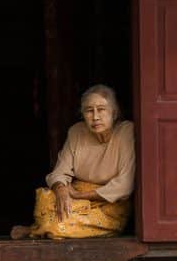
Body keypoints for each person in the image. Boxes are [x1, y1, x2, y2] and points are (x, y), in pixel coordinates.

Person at [11, 84, 135, 240]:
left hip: (108, 203)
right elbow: (60, 171)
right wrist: (61, 190)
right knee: (45, 199)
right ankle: (44, 228)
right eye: (89, 111)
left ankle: (34, 230)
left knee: (61, 223)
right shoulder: (76, 131)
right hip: (76, 196)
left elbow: (124, 185)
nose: (95, 117)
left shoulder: (126, 132)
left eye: (101, 109)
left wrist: (79, 195)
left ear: (114, 113)